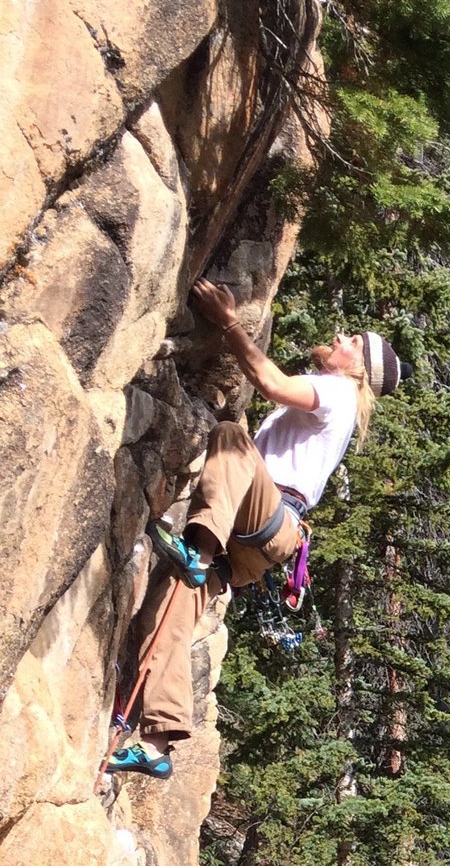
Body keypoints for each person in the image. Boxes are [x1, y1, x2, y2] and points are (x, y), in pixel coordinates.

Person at [108, 278, 409, 778]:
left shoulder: (337, 391)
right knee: (171, 605)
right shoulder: (337, 400)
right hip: (256, 545)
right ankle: (159, 742)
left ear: (358, 369)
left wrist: (228, 322)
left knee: (229, 436)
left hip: (268, 518)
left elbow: (270, 382)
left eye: (350, 342)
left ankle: (198, 552)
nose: (339, 339)